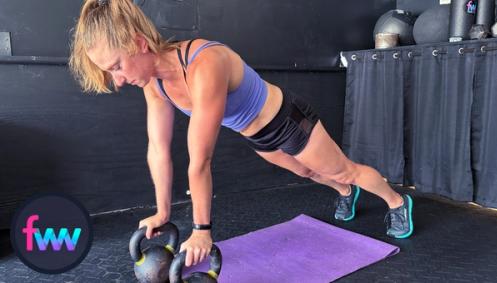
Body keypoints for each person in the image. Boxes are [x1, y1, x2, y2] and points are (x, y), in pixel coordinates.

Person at [70, 0, 414, 267]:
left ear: (139, 43)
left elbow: (199, 160)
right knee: (309, 171)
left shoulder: (205, 64)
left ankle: (397, 202)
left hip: (289, 121)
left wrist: (202, 231)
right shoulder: (154, 84)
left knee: (342, 168)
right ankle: (344, 192)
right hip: (258, 136)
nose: (117, 80)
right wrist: (162, 212)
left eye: (116, 66)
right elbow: (157, 149)